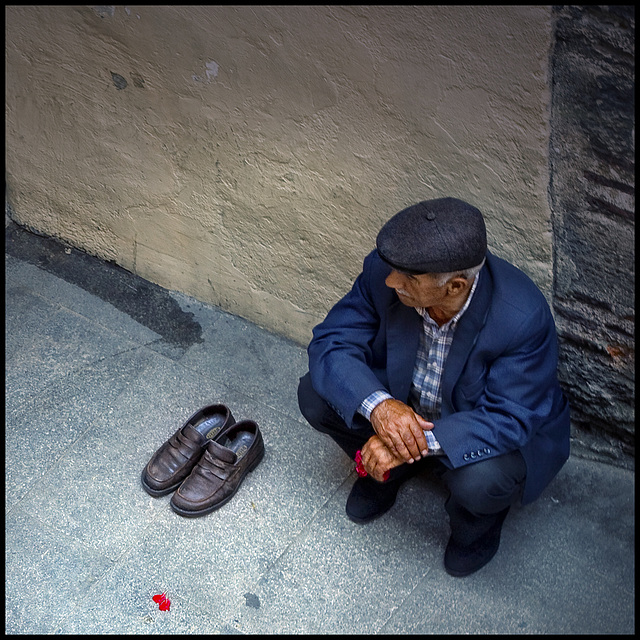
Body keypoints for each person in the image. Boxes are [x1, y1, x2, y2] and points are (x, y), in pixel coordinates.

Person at [297, 197, 570, 577]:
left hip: (474, 424)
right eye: (394, 272)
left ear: (455, 286)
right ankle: (390, 471)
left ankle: (476, 527)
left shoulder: (521, 318)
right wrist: (380, 409)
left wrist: (411, 441)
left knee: (480, 482)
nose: (392, 281)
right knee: (316, 394)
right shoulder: (385, 273)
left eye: (408, 279)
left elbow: (509, 417)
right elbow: (331, 344)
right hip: (406, 400)